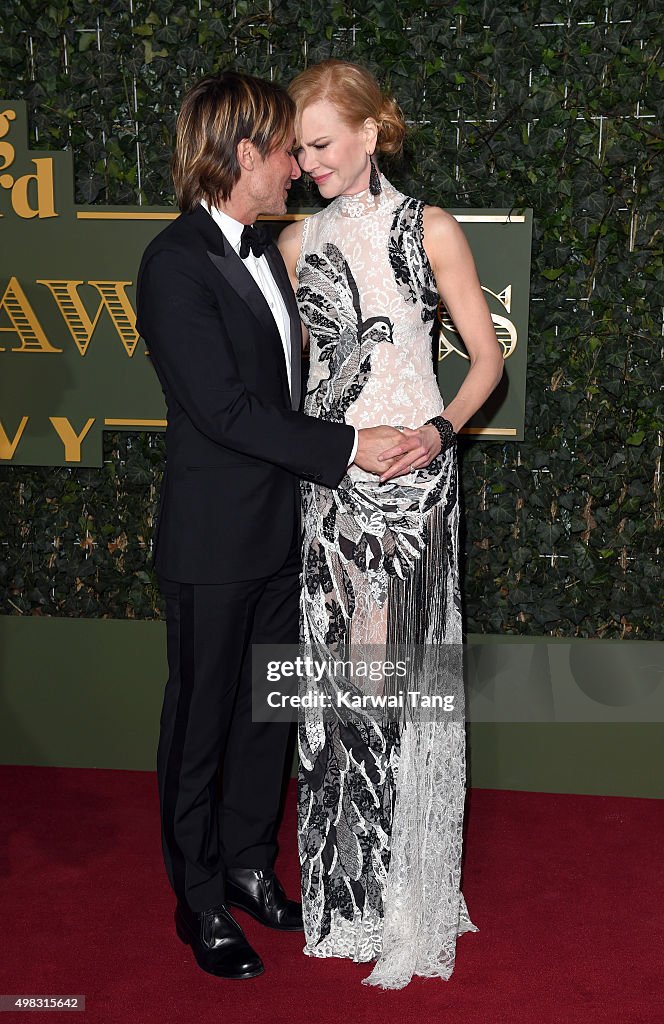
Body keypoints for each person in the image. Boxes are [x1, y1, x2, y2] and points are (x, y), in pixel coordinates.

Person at [135, 70, 425, 981]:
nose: (298, 166)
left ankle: (253, 864)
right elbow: (223, 411)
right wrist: (349, 446)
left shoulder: (268, 252)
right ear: (241, 155)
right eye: (284, 148)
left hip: (282, 536)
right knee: (201, 723)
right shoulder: (175, 262)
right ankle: (200, 900)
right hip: (212, 543)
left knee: (269, 711)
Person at [278, 59, 504, 989]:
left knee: (411, 695)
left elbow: (487, 363)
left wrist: (437, 430)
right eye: (298, 149)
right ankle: (348, 899)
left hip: (416, 494)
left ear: (374, 133)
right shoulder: (292, 246)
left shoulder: (431, 230)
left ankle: (412, 896)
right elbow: (292, 392)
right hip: (331, 499)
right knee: (337, 700)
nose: (310, 162)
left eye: (324, 144)